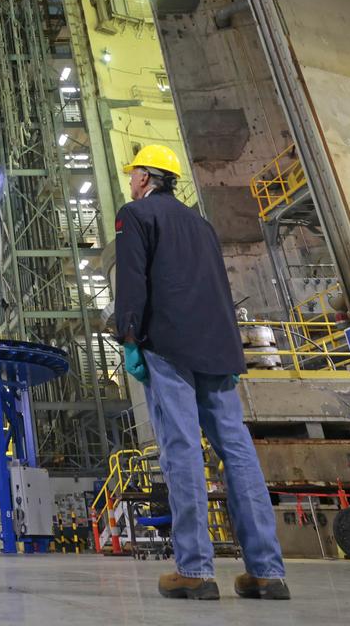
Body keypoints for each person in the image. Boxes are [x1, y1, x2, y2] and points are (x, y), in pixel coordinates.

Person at [113, 144, 287, 603]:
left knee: (182, 448)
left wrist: (129, 339)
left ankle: (194, 569)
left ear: (147, 178)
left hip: (169, 347)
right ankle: (267, 572)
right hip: (217, 349)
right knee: (238, 450)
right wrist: (231, 352)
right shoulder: (202, 225)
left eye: (134, 175)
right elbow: (218, 285)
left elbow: (132, 281)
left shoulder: (135, 216)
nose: (130, 181)